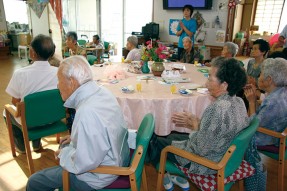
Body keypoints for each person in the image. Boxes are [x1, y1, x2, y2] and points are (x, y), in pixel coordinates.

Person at [26, 56, 130, 191]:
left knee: (34, 182)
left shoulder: (87, 111)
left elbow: (82, 164)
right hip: (116, 158)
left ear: (72, 82)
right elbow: (104, 131)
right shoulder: (103, 92)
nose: (58, 85)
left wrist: (63, 154)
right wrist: (76, 137)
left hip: (96, 177)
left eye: (59, 80)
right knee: (65, 144)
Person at [149, 57, 249, 176]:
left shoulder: (216, 108)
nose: (206, 83)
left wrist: (196, 127)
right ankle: (168, 175)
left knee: (153, 143)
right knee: (172, 136)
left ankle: (163, 175)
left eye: (210, 78)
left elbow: (201, 149)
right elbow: (218, 131)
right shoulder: (239, 102)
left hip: (205, 163)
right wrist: (197, 122)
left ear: (224, 85)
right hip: (222, 155)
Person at [5, 34, 58, 153]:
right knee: (39, 106)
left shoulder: (20, 74)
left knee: (7, 111)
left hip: (30, 122)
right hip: (53, 118)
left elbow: (14, 102)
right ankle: (36, 144)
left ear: (33, 53)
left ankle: (22, 147)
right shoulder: (59, 72)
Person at [244, 58, 287, 146]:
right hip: (273, 132)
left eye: (260, 75)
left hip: (266, 138)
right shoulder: (282, 91)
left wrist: (251, 102)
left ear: (269, 79)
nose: (258, 78)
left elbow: (253, 126)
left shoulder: (272, 102)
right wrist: (254, 98)